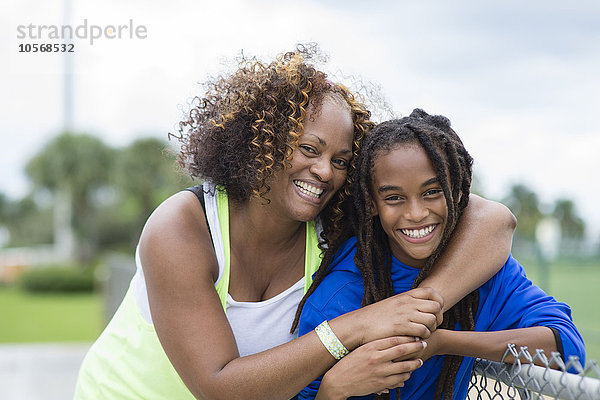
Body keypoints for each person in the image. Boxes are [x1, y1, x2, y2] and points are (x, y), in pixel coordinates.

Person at [75, 47, 517, 399]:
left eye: (341, 160)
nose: (325, 171)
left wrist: (419, 307)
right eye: (309, 149)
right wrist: (359, 325)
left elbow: (495, 221)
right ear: (260, 143)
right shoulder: (184, 228)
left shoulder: (334, 228)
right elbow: (219, 386)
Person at [296, 109, 585, 400]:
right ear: (372, 204)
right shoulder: (342, 292)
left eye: (432, 192)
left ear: (457, 192)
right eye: (394, 198)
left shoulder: (483, 273)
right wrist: (335, 388)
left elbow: (566, 350)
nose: (416, 214)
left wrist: (443, 341)